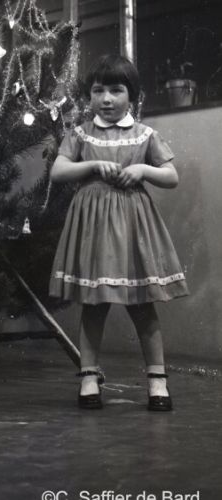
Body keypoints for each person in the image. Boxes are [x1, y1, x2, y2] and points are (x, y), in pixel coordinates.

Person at [49, 54, 188, 411]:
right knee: (94, 304)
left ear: (132, 95)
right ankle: (89, 379)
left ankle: (157, 382)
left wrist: (142, 170)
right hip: (94, 228)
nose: (106, 99)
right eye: (98, 91)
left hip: (132, 226)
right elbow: (58, 171)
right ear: (89, 95)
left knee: (143, 305)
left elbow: (171, 176)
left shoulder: (144, 134)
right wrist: (93, 165)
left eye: (116, 90)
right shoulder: (81, 133)